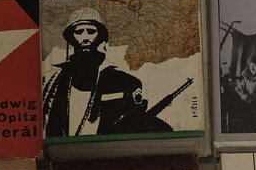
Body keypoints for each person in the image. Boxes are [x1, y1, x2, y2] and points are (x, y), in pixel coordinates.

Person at [42, 9, 165, 138]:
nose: (85, 37)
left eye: (91, 31)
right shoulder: (51, 80)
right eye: (79, 32)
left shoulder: (126, 83)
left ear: (100, 36)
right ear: (71, 37)